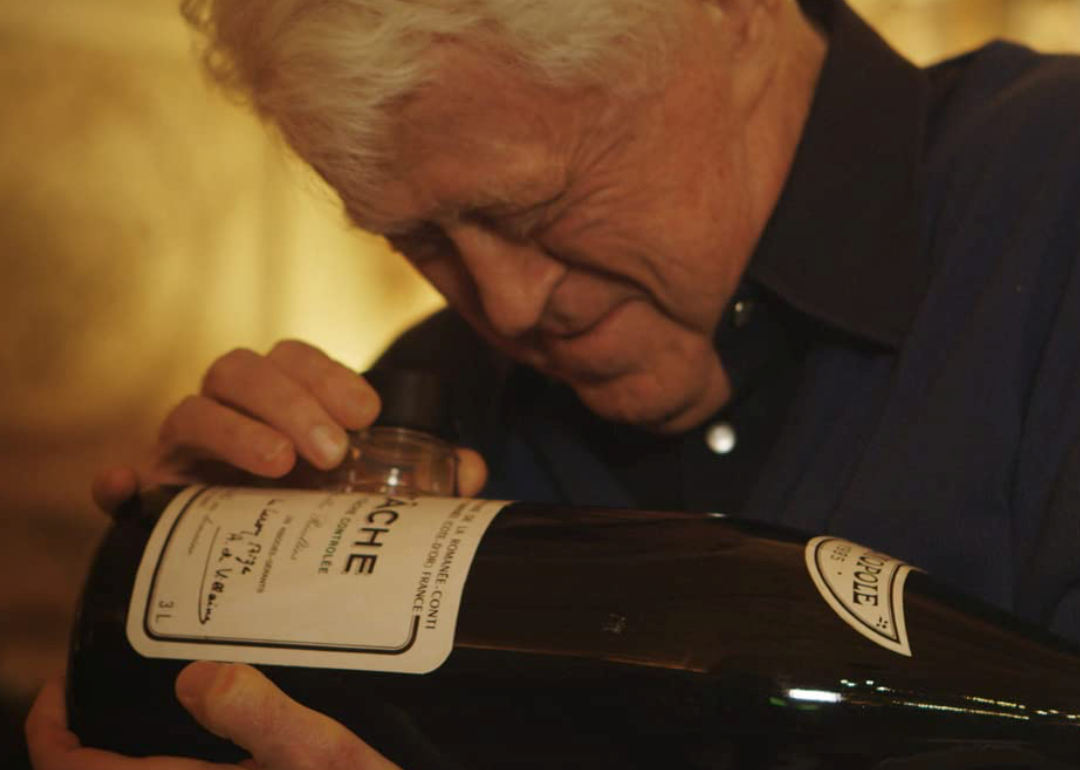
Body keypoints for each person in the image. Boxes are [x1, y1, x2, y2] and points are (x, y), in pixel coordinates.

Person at [27, 0, 1080, 767]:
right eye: (418, 238)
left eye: (536, 205)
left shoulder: (1052, 202)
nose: (508, 304)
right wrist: (196, 659)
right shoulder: (416, 400)